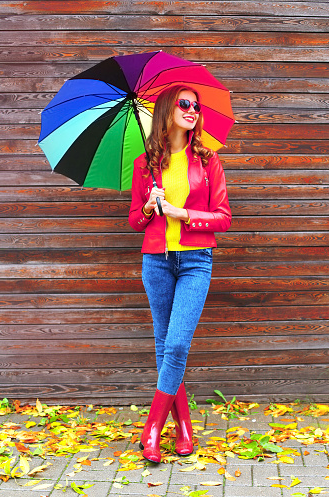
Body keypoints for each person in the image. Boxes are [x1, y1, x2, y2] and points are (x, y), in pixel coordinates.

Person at [129, 84, 232, 463]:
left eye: (196, 105)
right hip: (156, 261)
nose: (192, 110)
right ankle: (184, 427)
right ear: (167, 111)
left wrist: (182, 213)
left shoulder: (208, 160)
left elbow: (224, 218)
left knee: (176, 345)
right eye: (184, 104)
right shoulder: (147, 164)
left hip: (195, 261)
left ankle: (152, 428)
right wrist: (149, 210)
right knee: (164, 346)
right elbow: (134, 222)